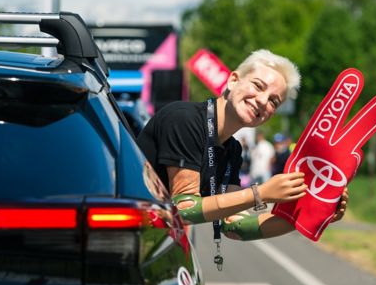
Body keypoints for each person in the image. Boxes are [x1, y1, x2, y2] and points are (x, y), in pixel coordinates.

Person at [137, 49, 348, 244]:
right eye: (258, 86)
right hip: (126, 238)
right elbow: (184, 209)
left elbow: (235, 226)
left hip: (159, 245)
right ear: (233, 80)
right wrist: (260, 194)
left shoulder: (233, 151)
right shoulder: (183, 119)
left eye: (274, 101)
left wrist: (314, 215)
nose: (263, 101)